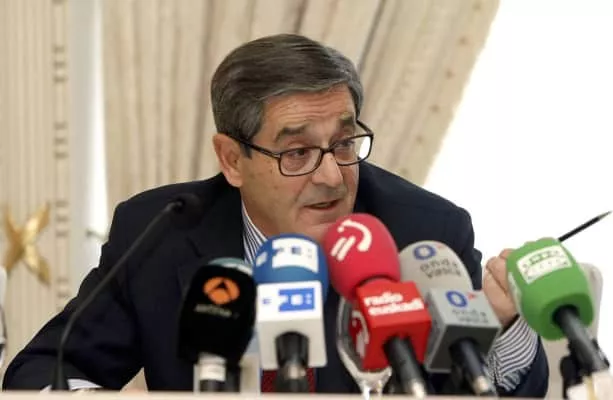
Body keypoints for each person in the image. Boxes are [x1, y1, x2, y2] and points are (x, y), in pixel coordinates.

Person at [2, 33, 548, 396]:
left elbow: (487, 388)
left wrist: (504, 328)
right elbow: (41, 372)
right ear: (231, 159)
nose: (332, 176)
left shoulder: (423, 231)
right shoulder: (160, 231)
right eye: (297, 152)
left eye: (344, 143)